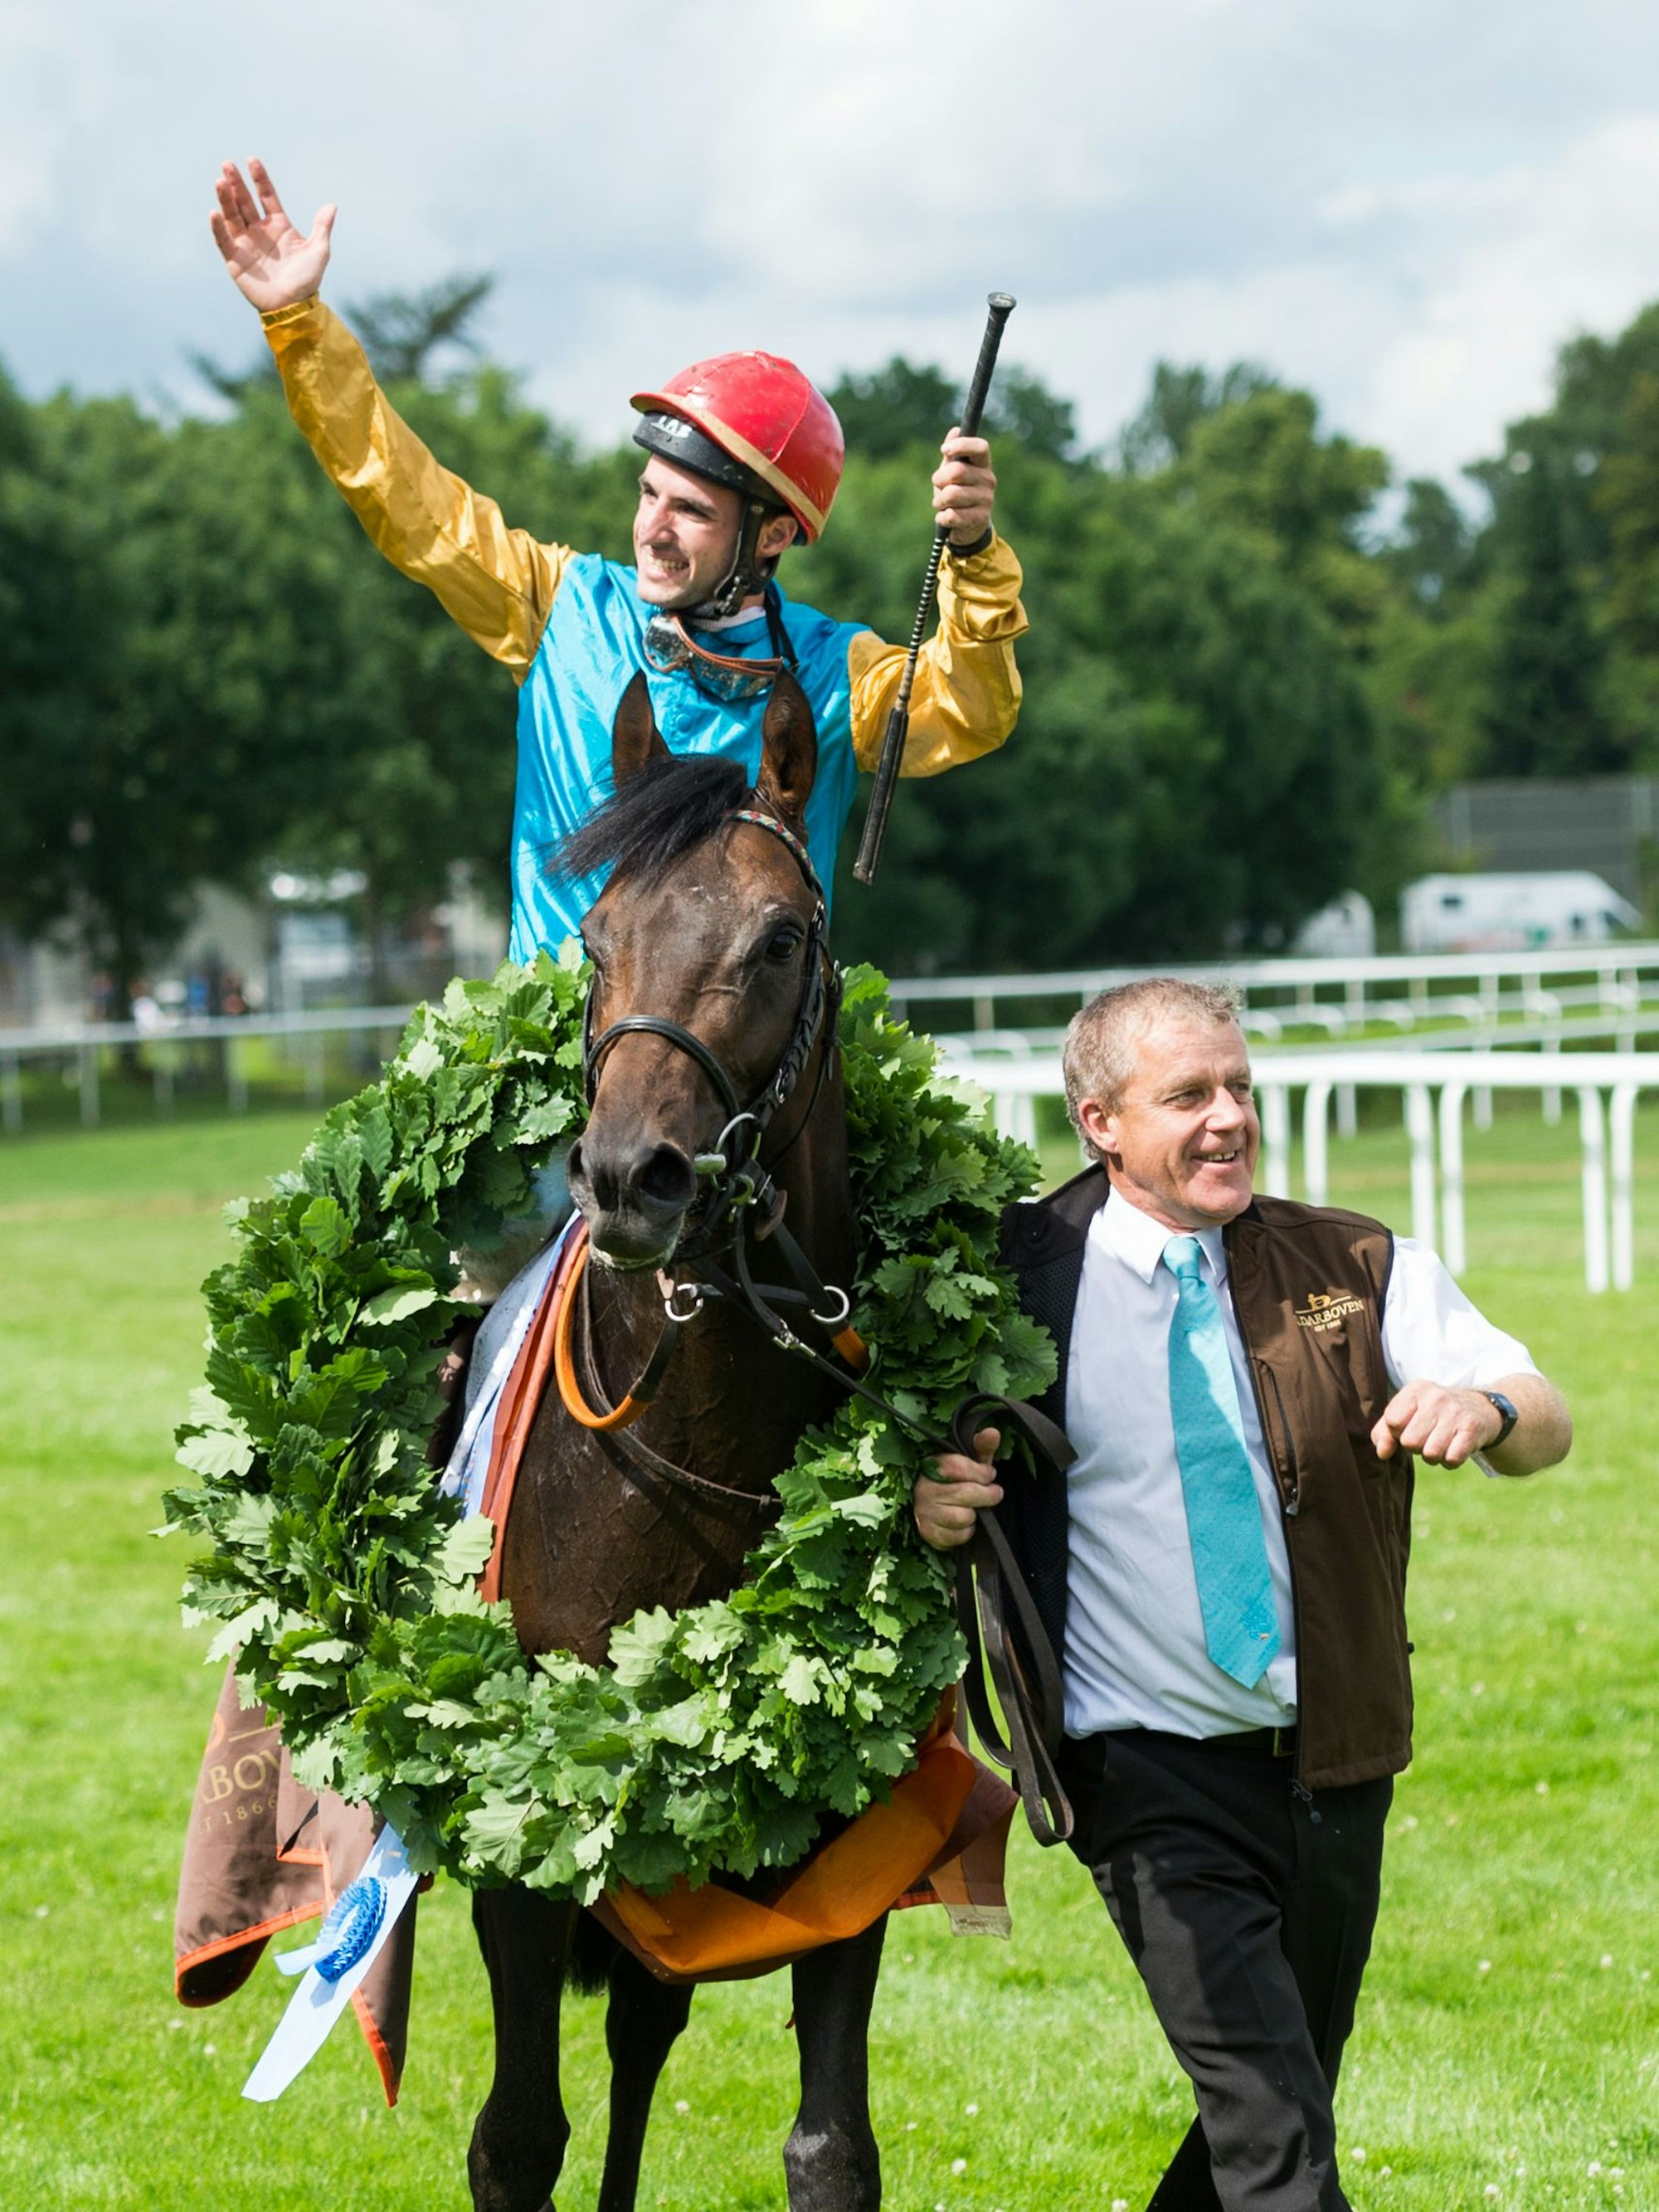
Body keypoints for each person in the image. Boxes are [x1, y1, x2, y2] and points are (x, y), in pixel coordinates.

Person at [916, 977, 1571, 2212]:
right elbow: (891, 1456)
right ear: (1099, 1117)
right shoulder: (1005, 1278)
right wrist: (925, 1500)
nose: (1229, 1119)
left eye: (1240, 1087)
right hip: (1144, 1772)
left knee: (1277, 2100)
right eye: (1189, 1095)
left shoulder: (1354, 1258)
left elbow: (1544, 1418)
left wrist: (1483, 1406)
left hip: (1334, 1757)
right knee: (1276, 2135)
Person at [208, 158, 1027, 960]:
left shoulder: (834, 672)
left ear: (773, 534)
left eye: (692, 510)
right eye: (648, 495)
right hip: (556, 1063)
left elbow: (968, 709)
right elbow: (400, 490)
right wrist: (300, 324)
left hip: (738, 1079)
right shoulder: (555, 601)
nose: (653, 529)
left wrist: (971, 552)